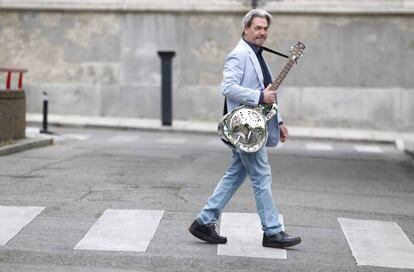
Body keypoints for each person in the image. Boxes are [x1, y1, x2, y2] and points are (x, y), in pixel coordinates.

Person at [188, 9, 301, 249]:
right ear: (246, 29)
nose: (262, 32)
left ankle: (204, 221)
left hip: (254, 127)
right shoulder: (239, 55)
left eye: (265, 28)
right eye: (258, 28)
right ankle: (272, 231)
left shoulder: (258, 55)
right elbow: (228, 87)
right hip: (244, 128)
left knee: (235, 175)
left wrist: (278, 121)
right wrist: (259, 95)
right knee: (262, 175)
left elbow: (269, 94)